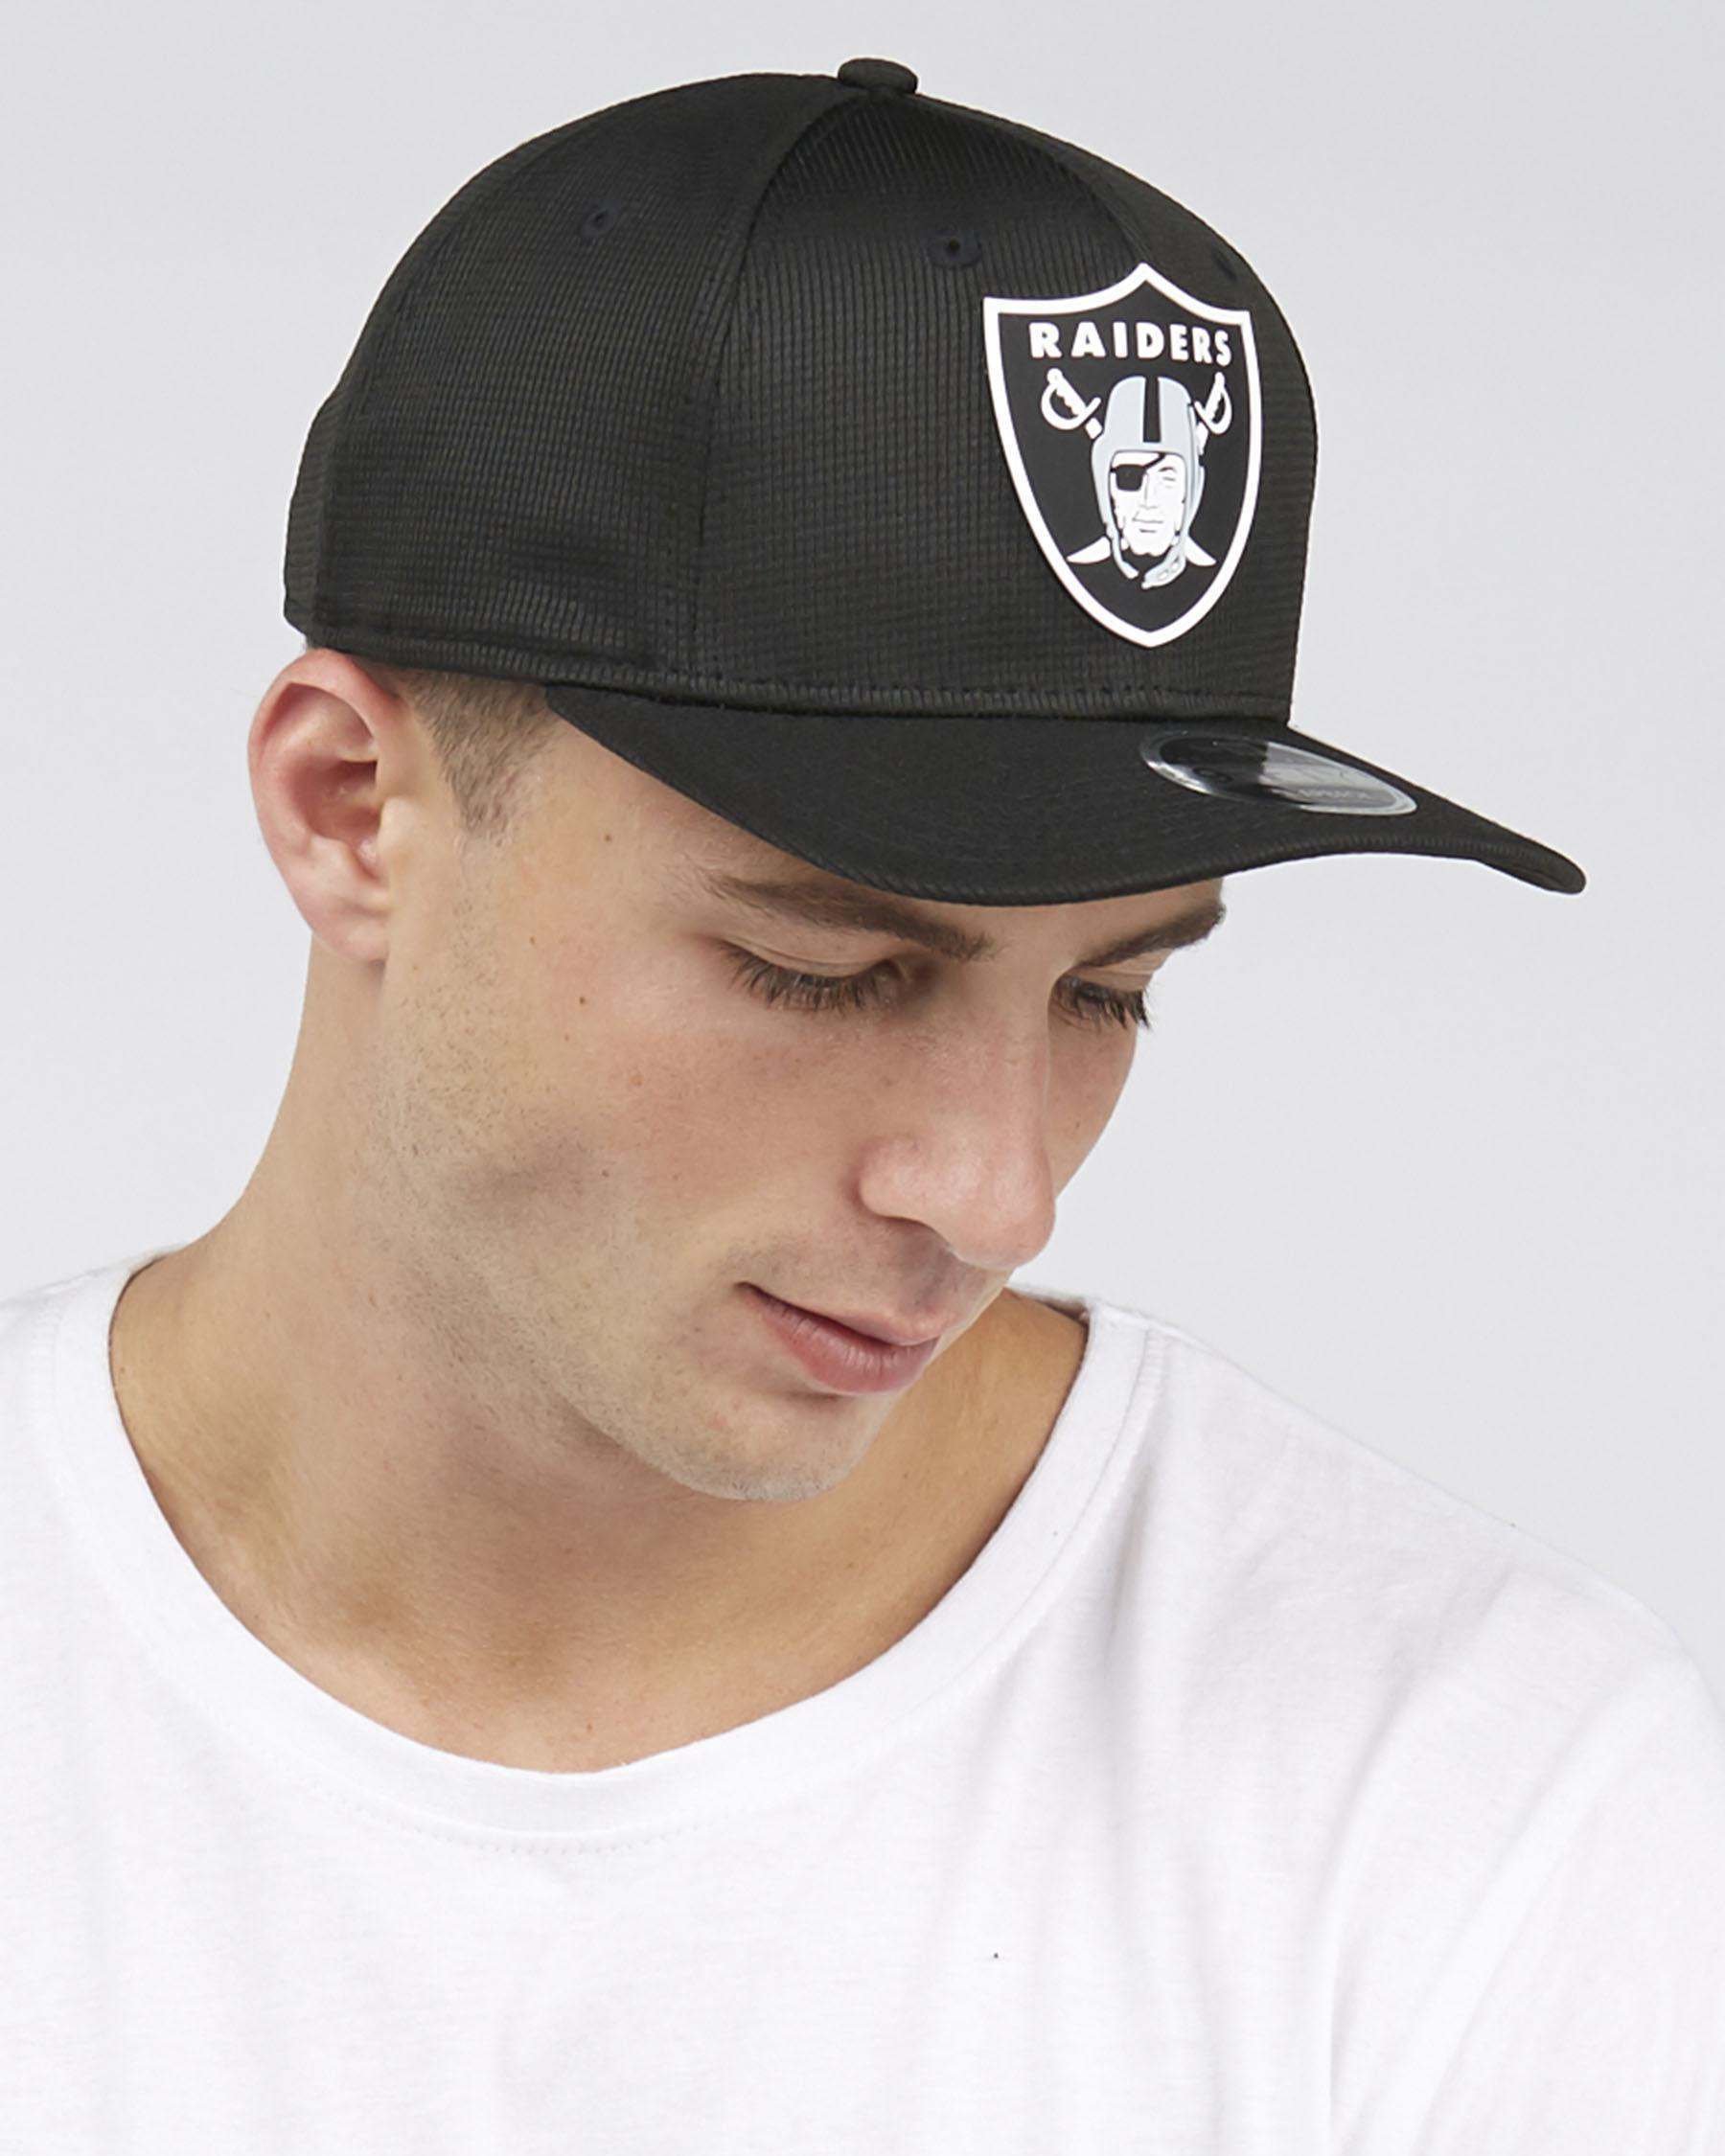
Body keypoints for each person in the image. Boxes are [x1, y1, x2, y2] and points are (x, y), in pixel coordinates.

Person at [4, 57, 1721, 2152]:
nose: (996, 1193)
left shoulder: (1467, 1802)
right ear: (351, 808)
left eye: (1110, 992)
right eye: (824, 970)